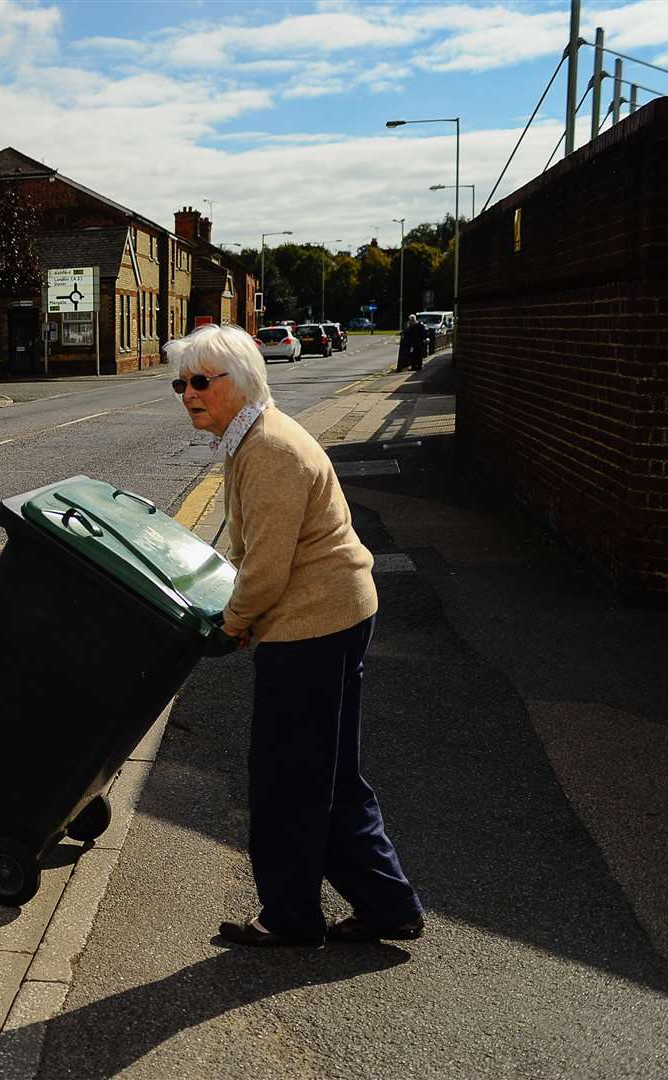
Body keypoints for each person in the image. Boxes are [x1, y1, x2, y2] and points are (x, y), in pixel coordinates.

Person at [166, 324, 424, 948]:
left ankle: (290, 917)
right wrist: (251, 618)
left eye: (202, 381)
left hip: (314, 623)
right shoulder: (253, 438)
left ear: (244, 381)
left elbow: (266, 567)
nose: (189, 394)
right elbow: (260, 555)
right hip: (326, 616)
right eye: (181, 383)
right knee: (328, 773)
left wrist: (232, 626)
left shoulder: (270, 451)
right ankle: (387, 905)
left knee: (289, 779)